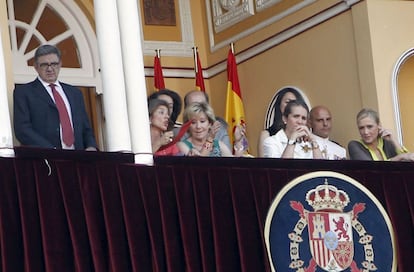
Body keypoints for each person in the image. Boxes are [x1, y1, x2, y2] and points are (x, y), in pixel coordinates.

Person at [13, 44, 97, 150]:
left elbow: (85, 127)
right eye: (44, 65)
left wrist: (91, 146)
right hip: (45, 159)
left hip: (77, 159)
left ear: (60, 64)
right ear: (36, 67)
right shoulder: (24, 92)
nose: (50, 69)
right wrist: (52, 150)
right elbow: (23, 130)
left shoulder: (75, 93)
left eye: (54, 64)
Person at [177, 102, 243, 157]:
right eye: (193, 122)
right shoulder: (181, 145)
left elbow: (234, 164)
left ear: (210, 124)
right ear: (187, 126)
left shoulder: (218, 144)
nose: (198, 126)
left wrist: (238, 141)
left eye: (202, 121)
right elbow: (201, 165)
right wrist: (210, 138)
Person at [348, 108, 414, 161]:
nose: (366, 132)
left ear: (379, 125)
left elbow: (408, 162)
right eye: (361, 128)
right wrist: (399, 157)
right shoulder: (354, 145)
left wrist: (394, 141)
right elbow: (371, 168)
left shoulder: (387, 143)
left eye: (370, 127)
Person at [258, 87, 305, 157]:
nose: (290, 106)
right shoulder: (267, 135)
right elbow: (263, 164)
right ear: (279, 105)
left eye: (294, 102)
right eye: (287, 102)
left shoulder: (304, 135)